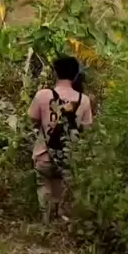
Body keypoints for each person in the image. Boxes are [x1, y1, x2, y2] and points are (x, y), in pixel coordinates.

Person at [28, 56, 93, 222]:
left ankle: (45, 223)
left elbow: (32, 119)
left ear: (56, 73)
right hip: (68, 158)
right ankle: (60, 224)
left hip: (44, 154)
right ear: (75, 75)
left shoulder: (43, 95)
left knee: (44, 187)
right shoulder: (83, 100)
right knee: (62, 193)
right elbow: (87, 130)